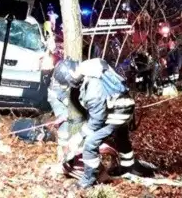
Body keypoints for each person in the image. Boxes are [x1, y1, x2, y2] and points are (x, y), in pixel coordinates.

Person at [64, 58, 154, 189]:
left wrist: (78, 136)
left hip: (118, 113)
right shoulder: (93, 69)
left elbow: (97, 120)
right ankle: (128, 167)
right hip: (124, 106)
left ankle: (88, 180)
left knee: (90, 144)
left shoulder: (92, 90)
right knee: (121, 137)